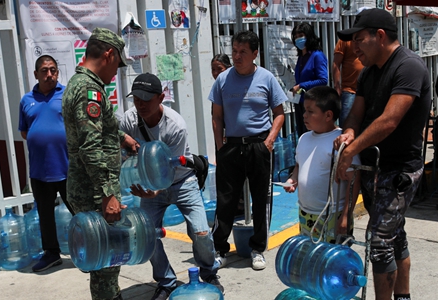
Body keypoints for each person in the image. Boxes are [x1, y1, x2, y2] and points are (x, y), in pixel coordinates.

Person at [335, 8, 432, 300]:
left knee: (378, 242)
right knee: (394, 236)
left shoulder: (409, 66)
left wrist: (351, 149)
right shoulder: (367, 74)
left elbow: (390, 120)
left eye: (359, 39)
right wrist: (349, 132)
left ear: (379, 37)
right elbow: (356, 114)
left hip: (399, 170)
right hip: (374, 168)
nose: (354, 47)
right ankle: (403, 296)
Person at [119, 73, 224, 300]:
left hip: (180, 181)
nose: (141, 104)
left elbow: (168, 171)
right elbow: (124, 156)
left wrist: (154, 189)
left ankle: (209, 272)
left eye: (147, 98)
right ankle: (166, 281)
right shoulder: (129, 121)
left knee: (201, 232)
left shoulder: (175, 126)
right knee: (147, 235)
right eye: (136, 98)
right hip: (149, 186)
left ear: (161, 97)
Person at [61, 27, 138, 300]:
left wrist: (122, 137)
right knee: (107, 260)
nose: (116, 71)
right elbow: (89, 145)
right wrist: (107, 194)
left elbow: (95, 130)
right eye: (117, 63)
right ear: (108, 55)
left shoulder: (80, 84)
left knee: (106, 261)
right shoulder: (88, 90)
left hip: (91, 187)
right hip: (95, 191)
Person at [209, 30, 286, 270]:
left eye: (243, 51)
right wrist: (220, 148)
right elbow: (216, 117)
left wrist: (270, 140)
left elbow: (280, 114)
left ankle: (257, 249)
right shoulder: (223, 80)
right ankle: (220, 249)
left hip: (258, 145)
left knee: (261, 199)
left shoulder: (267, 78)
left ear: (255, 53)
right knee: (226, 200)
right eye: (234, 51)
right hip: (231, 146)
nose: (237, 56)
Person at [283, 86, 360, 243]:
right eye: (305, 110)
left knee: (331, 262)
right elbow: (299, 165)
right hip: (305, 213)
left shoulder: (341, 142)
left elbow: (354, 181)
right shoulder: (304, 138)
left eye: (310, 111)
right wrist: (293, 179)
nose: (304, 115)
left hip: (332, 215)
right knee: (311, 258)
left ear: (328, 115)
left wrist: (345, 215)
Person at [18, 55, 72, 272]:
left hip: (67, 168)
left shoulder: (67, 95)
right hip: (40, 170)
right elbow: (24, 131)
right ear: (36, 74)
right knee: (45, 216)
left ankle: (89, 249)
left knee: (80, 212)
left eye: (53, 70)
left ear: (57, 72)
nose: (49, 74)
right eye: (44, 70)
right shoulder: (26, 100)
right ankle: (51, 253)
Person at [291, 22, 328, 137]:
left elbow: (323, 80)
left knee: (313, 134)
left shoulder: (317, 55)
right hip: (300, 102)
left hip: (314, 103)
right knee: (303, 135)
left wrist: (302, 85)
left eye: (301, 35)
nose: (298, 39)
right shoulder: (301, 57)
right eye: (296, 36)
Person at [332, 39, 364, 126]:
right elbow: (336, 63)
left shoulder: (369, 39)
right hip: (350, 90)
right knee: (347, 122)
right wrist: (337, 86)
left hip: (368, 90)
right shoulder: (344, 40)